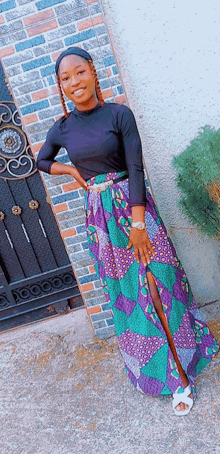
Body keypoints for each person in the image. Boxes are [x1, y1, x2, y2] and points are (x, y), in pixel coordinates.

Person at [36, 46, 219, 416]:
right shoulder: (62, 128)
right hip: (101, 222)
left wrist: (138, 224)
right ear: (60, 87)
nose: (74, 82)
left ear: (93, 73)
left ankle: (181, 372)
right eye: (65, 78)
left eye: (80, 72)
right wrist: (72, 173)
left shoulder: (119, 115)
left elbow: (136, 168)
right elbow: (42, 161)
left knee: (156, 286)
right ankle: (158, 373)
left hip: (135, 211)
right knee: (128, 293)